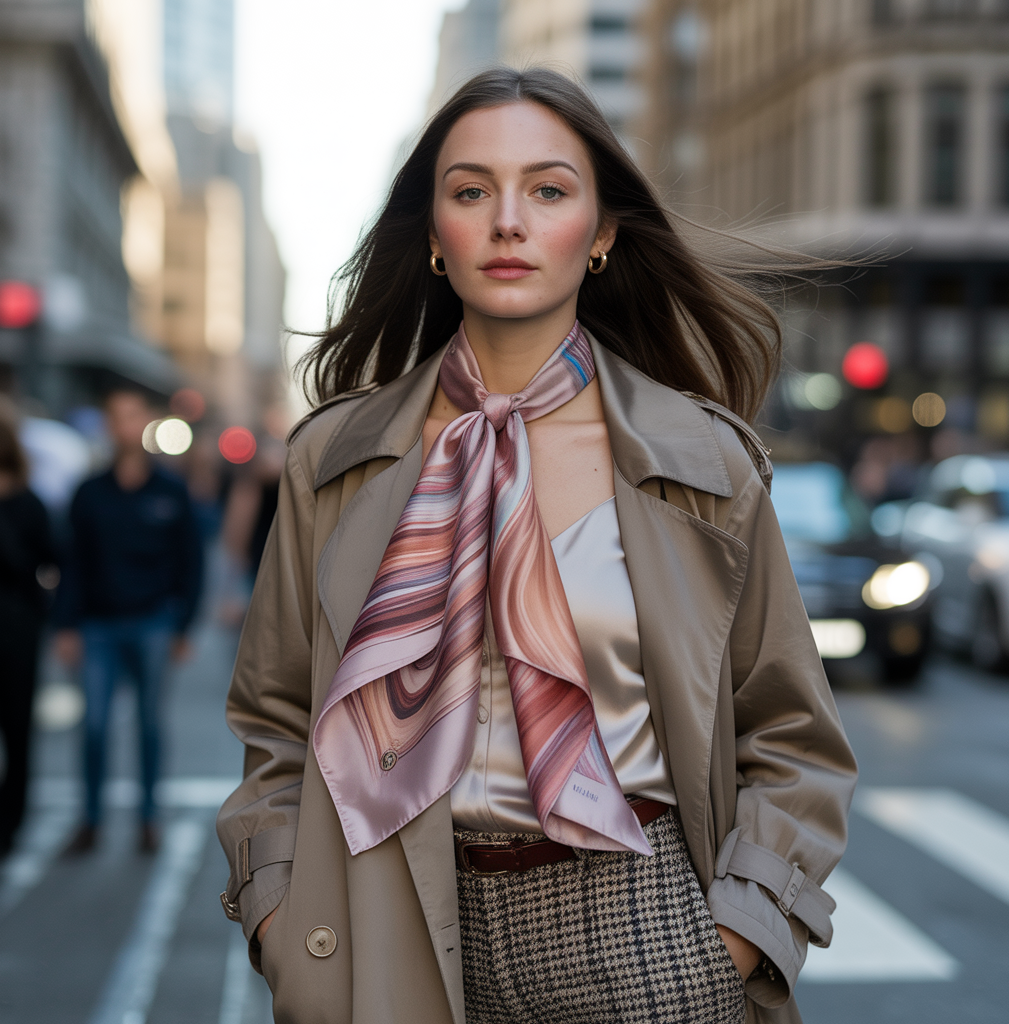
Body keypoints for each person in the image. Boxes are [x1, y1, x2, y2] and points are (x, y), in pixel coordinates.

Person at [217, 67, 857, 1024]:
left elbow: (791, 733)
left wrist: (736, 933)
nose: (507, 221)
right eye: (471, 191)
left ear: (600, 234)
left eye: (549, 190)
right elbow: (274, 718)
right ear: (434, 234)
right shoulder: (335, 460)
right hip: (387, 915)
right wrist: (276, 910)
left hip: (644, 928)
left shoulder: (703, 461)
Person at [55, 388, 203, 854]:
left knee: (149, 725)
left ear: (145, 423)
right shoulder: (89, 491)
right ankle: (91, 818)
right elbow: (71, 561)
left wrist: (183, 627)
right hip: (98, 625)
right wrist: (65, 625)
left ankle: (147, 818)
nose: (125, 426)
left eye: (133, 416)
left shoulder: (171, 490)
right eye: (116, 417)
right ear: (108, 425)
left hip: (154, 622)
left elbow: (191, 561)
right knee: (95, 725)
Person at [0, 416, 56, 858]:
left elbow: (51, 562)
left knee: (17, 731)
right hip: (20, 626)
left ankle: (11, 824)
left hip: (17, 632)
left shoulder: (29, 505)